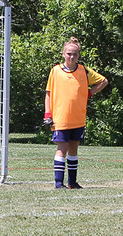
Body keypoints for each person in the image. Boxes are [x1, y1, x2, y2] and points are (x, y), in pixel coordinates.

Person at [43, 37, 108, 189]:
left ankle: (72, 182)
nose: (72, 57)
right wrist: (48, 114)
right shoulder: (56, 71)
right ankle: (59, 183)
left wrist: (90, 93)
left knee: (73, 149)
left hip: (78, 118)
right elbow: (48, 93)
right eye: (69, 54)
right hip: (61, 119)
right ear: (63, 54)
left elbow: (103, 81)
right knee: (62, 149)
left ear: (79, 55)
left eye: (75, 54)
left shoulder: (83, 71)